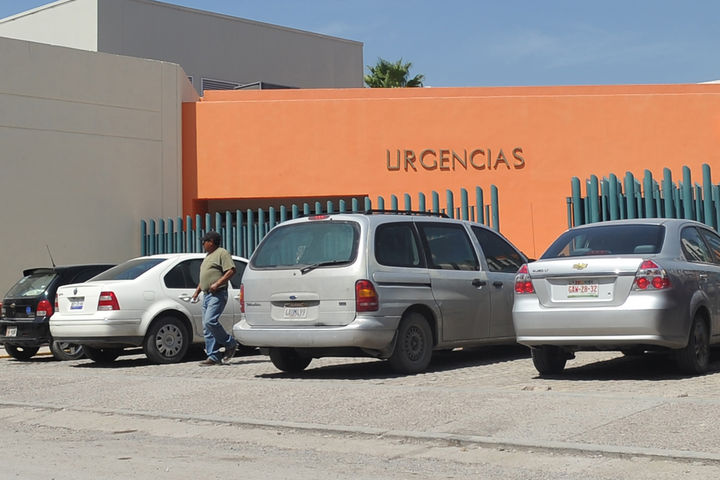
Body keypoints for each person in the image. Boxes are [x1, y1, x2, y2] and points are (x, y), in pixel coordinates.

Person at [191, 230, 239, 366]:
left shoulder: (222, 253)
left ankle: (230, 343)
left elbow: (231, 270)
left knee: (210, 321)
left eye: (204, 242)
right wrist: (197, 291)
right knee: (207, 327)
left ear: (211, 242)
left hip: (217, 294)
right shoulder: (208, 256)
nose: (203, 244)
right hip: (207, 295)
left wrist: (217, 283)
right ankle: (213, 356)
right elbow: (205, 277)